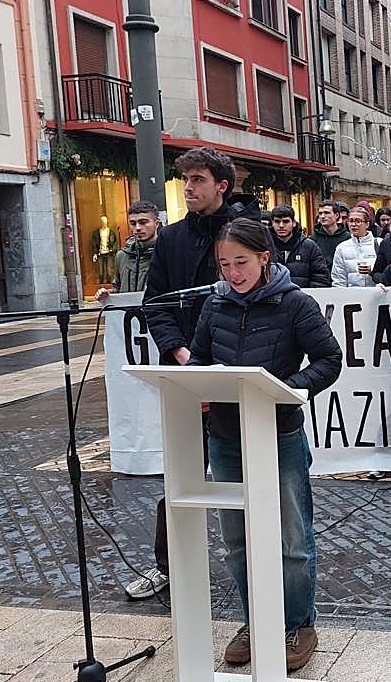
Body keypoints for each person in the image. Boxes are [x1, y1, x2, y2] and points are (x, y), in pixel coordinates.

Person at [190, 217, 342, 672]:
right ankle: (255, 620)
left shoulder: (296, 304)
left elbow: (329, 359)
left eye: (241, 262)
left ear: (263, 258)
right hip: (225, 437)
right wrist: (197, 386)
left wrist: (286, 388)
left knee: (292, 537)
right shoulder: (213, 306)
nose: (233, 273)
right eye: (224, 264)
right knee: (236, 540)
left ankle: (297, 623)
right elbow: (199, 357)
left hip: (279, 434)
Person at [136, 147, 260, 601]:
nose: (187, 187)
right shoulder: (169, 240)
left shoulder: (244, 231)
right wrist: (181, 353)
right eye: (184, 179)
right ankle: (169, 566)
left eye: (198, 179)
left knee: (251, 471)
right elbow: (156, 304)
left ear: (221, 185)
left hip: (239, 375)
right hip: (187, 374)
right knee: (181, 474)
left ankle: (260, 559)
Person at [96, 200, 159, 299]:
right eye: (133, 223)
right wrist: (106, 295)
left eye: (143, 222)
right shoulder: (121, 256)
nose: (138, 228)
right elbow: (117, 288)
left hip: (156, 312)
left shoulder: (166, 254)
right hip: (127, 312)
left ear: (156, 224)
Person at [268, 205, 331, 288]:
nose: (281, 225)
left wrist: (307, 295)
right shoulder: (265, 246)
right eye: (277, 221)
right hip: (272, 298)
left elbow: (321, 277)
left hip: (303, 297)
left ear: (293, 223)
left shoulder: (309, 246)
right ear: (272, 223)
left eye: (286, 221)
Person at [331, 206, 380, 287]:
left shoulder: (379, 244)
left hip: (376, 294)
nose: (354, 224)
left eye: (358, 221)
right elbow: (338, 279)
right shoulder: (341, 248)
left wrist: (372, 271)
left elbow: (387, 274)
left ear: (367, 224)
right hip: (352, 296)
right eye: (351, 221)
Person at [310, 200, 351, 267]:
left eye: (326, 213)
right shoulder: (313, 240)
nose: (322, 216)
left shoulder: (348, 238)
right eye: (320, 213)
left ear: (336, 215)